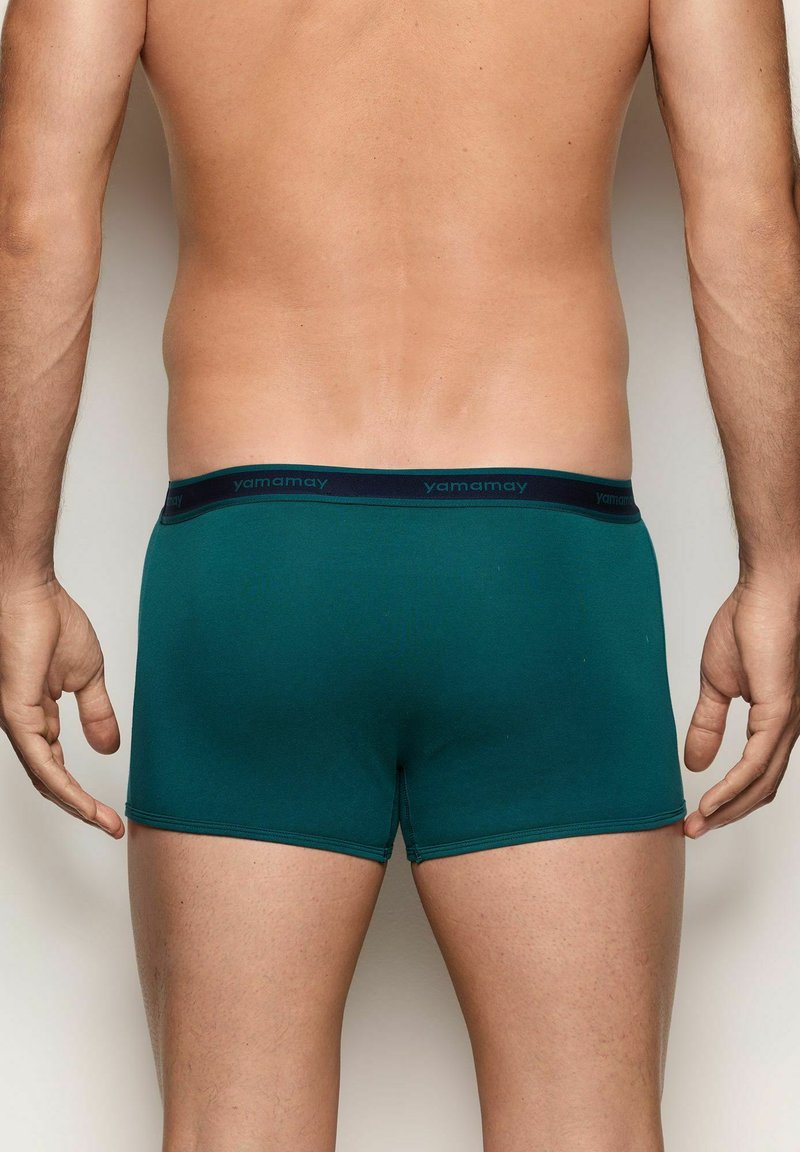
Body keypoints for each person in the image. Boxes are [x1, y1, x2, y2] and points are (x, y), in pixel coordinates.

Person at [0, 0, 798, 1148]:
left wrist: (18, 571)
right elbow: (748, 218)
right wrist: (775, 567)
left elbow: (32, 225)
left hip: (257, 559)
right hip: (542, 563)